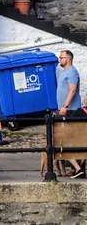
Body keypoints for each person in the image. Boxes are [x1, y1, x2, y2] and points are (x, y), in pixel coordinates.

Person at [56, 50, 85, 178]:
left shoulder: (72, 72)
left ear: (68, 59)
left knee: (64, 140)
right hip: (65, 110)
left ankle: (78, 169)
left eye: (61, 57)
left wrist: (65, 106)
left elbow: (72, 91)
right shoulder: (65, 72)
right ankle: (77, 168)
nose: (59, 59)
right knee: (65, 139)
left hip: (70, 110)